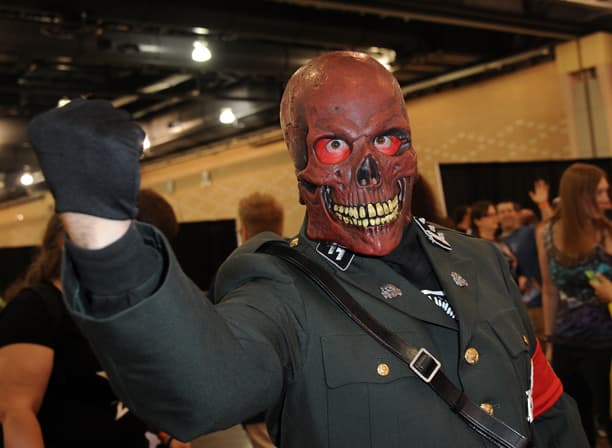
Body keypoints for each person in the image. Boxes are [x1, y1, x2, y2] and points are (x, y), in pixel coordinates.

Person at [27, 51, 587, 447]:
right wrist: (103, 234)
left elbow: (546, 410)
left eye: (387, 139)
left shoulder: (480, 261)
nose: (369, 170)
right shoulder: (279, 287)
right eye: (335, 146)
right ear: (299, 168)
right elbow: (199, 393)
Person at [0, 215, 149, 448]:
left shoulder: (117, 306)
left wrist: (166, 432)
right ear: (65, 241)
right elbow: (16, 413)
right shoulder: (35, 307)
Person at [536, 162, 612, 447]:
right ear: (579, 195)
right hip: (566, 342)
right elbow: (549, 291)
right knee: (575, 421)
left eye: (606, 192)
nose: (606, 199)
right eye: (599, 192)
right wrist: (550, 341)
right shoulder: (545, 233)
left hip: (605, 343)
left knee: (608, 416)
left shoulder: (606, 232)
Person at [233, 191, 284, 448]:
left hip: (259, 403)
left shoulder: (232, 276)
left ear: (243, 231)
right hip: (304, 398)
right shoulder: (303, 267)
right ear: (281, 227)